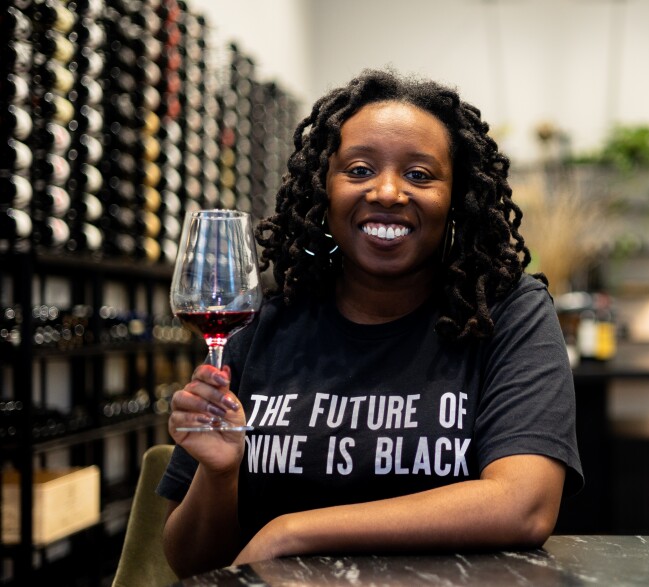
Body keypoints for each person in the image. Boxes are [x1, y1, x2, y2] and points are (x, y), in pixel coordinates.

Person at [157, 68, 583, 578]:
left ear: (456, 200)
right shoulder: (265, 323)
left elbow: (524, 504)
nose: (386, 191)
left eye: (419, 175)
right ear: (323, 191)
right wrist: (219, 473)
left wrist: (294, 531)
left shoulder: (507, 313)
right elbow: (190, 562)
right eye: (358, 170)